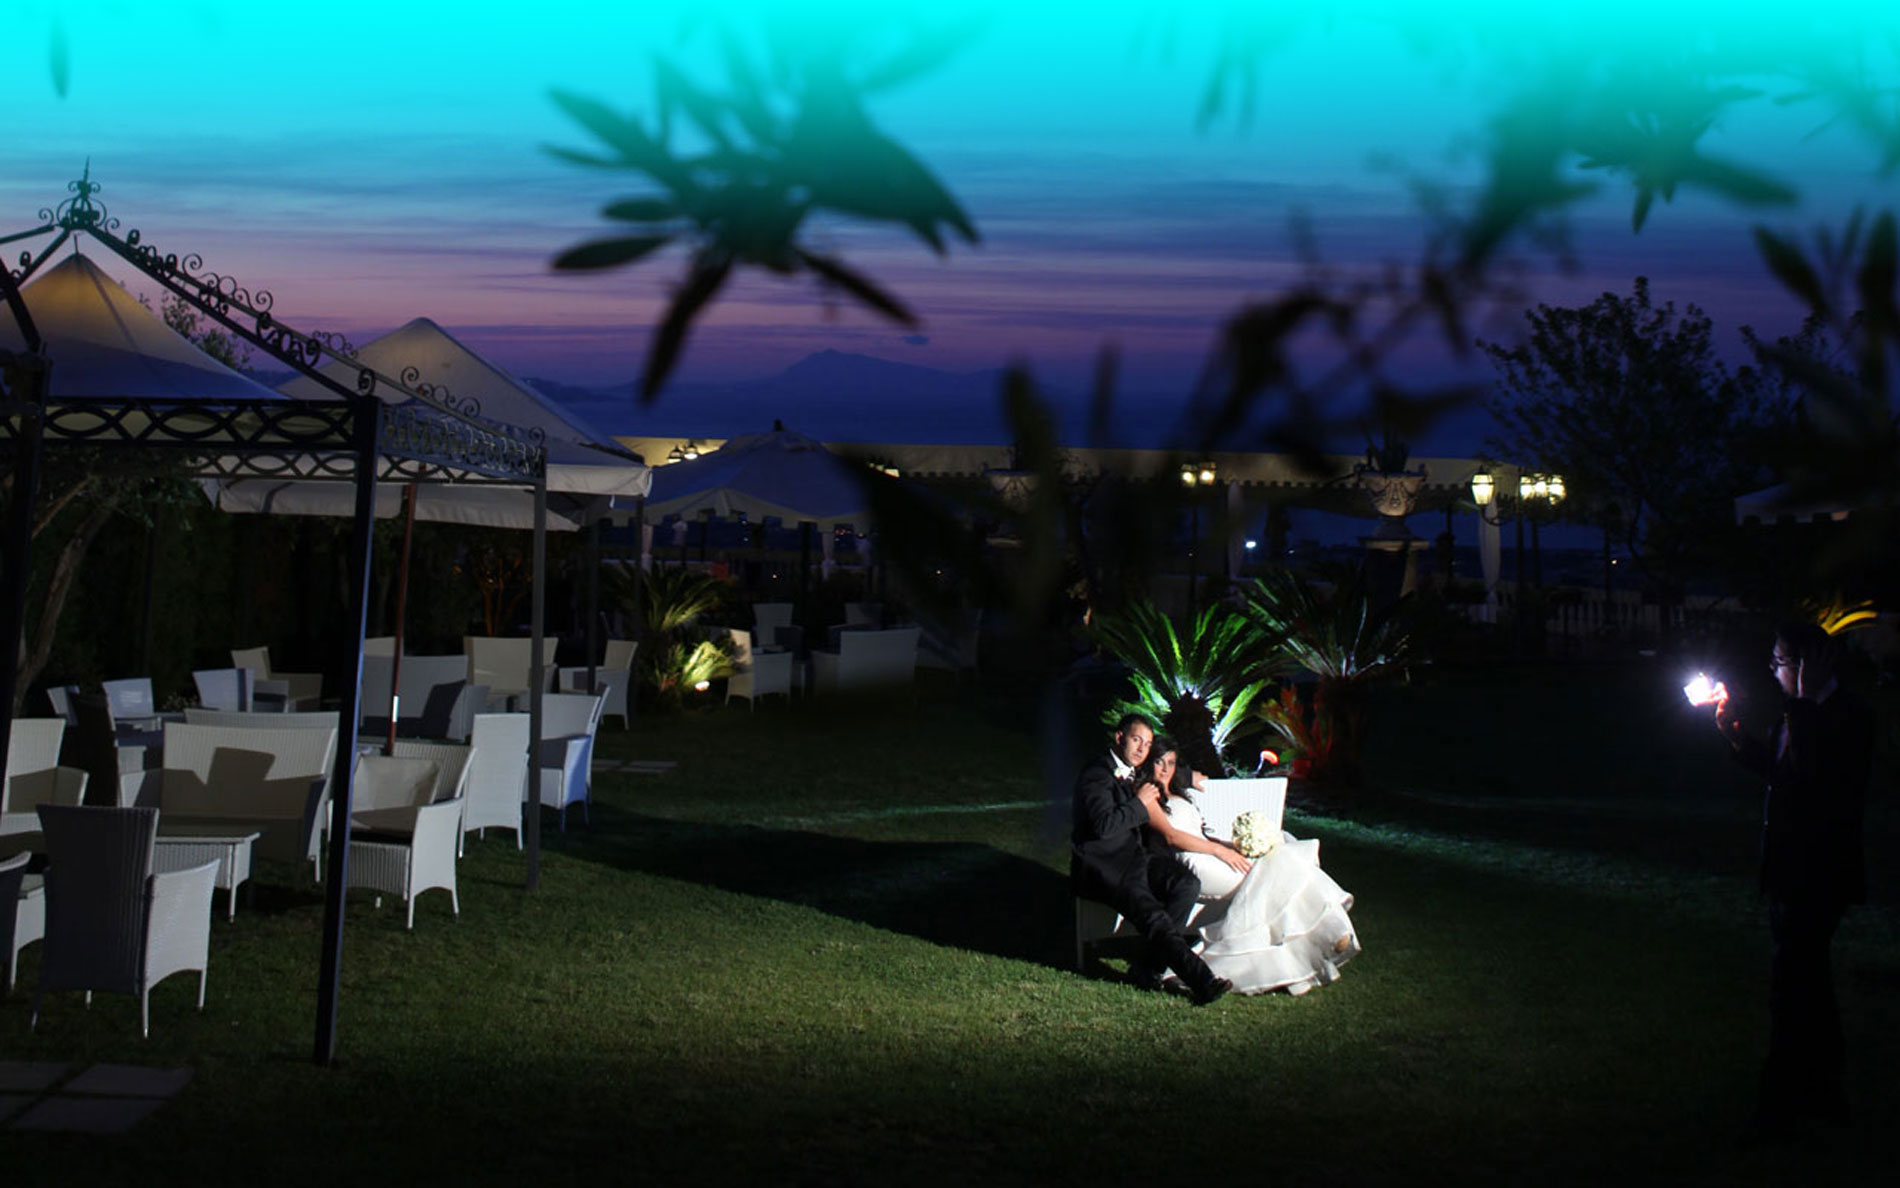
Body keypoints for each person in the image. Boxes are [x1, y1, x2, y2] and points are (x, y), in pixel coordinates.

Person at [1714, 621, 1874, 1129]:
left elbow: (1814, 781)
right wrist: (1737, 736)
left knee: (1794, 987)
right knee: (1807, 986)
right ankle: (1822, 1098)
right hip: (1788, 872)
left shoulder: (1845, 717)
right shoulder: (1797, 715)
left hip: (1817, 875)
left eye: (1780, 662)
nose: (1774, 671)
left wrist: (1801, 703)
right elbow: (1784, 775)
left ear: (1809, 666)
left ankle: (1783, 1105)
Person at [1136, 738, 1360, 996]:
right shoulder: (1147, 794)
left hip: (1207, 849)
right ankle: (1331, 933)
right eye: (1159, 762)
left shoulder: (1178, 791)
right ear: (1149, 764)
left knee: (1281, 852)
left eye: (1171, 763)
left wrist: (1231, 845)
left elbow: (1201, 831)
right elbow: (1171, 836)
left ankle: (1316, 944)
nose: (1165, 769)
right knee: (1275, 870)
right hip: (1188, 860)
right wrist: (1220, 851)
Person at [1071, 713, 1232, 1005]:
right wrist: (1139, 804)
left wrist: (1187, 776)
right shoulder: (1096, 775)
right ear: (1119, 738)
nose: (1142, 750)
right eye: (1136, 740)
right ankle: (1203, 981)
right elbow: (1103, 827)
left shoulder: (1133, 766)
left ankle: (1147, 967)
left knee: (1185, 884)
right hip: (1105, 867)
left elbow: (1162, 767)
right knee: (1154, 917)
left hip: (1136, 858)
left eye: (1146, 744)